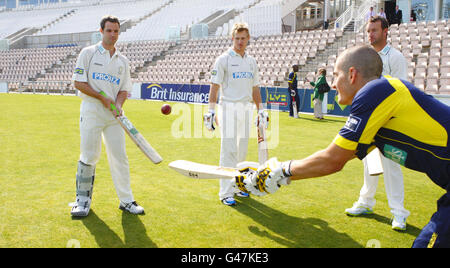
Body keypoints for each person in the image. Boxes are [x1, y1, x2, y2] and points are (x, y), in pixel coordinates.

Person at [248, 45, 450, 248]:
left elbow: (332, 160)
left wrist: (280, 170)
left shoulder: (375, 91)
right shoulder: (378, 98)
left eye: (336, 75)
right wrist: (280, 176)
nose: (333, 84)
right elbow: (339, 157)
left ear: (352, 74)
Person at [70, 15, 144, 217]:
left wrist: (118, 105)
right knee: (89, 155)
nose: (113, 34)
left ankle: (127, 201)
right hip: (92, 110)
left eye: (116, 31)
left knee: (119, 157)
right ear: (101, 31)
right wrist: (102, 97)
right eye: (109, 30)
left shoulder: (123, 61)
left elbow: (124, 89)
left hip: (113, 116)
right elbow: (78, 83)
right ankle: (82, 201)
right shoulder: (88, 53)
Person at [345, 16, 409, 231]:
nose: (370, 34)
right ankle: (365, 203)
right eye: (368, 30)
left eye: (374, 30)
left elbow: (402, 91)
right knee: (370, 165)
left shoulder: (396, 57)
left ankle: (398, 213)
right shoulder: (365, 59)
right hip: (370, 122)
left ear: (385, 31)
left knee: (391, 168)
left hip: (390, 123)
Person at [205, 23, 268, 206]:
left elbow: (255, 87)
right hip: (228, 108)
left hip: (246, 108)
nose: (240, 42)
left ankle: (239, 185)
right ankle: (225, 192)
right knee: (229, 150)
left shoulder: (251, 61)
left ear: (248, 39)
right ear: (232, 39)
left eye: (243, 38)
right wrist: (211, 111)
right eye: (237, 38)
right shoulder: (223, 59)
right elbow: (214, 86)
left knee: (242, 150)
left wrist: (261, 109)